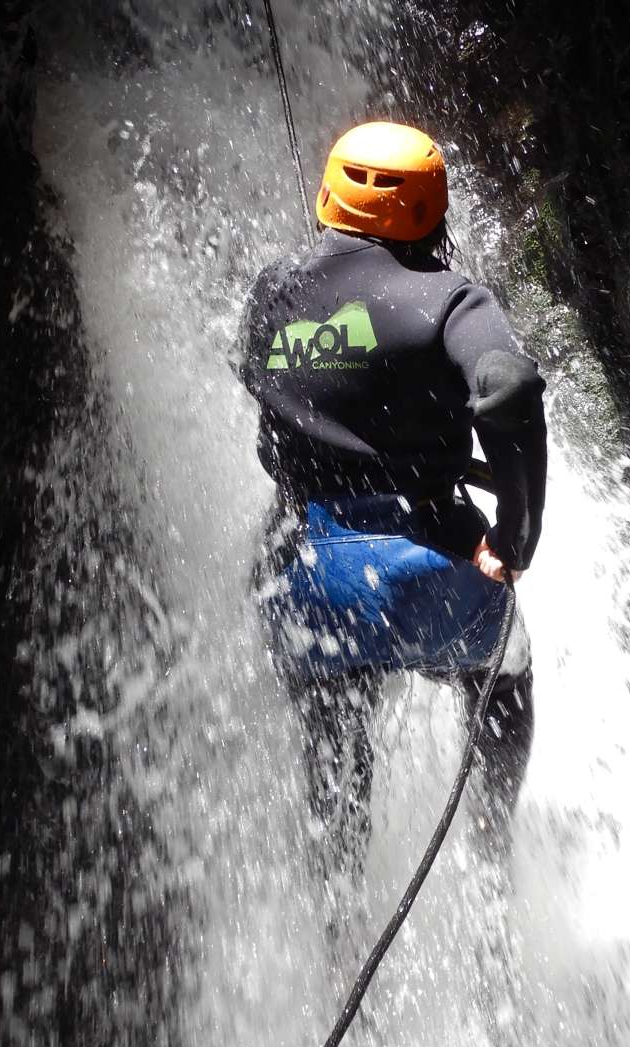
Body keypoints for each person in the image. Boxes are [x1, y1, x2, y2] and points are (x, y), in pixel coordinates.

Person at [238, 121, 548, 890]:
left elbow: (263, 391)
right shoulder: (448, 298)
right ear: (430, 214)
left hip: (308, 579)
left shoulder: (271, 292)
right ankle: (487, 854)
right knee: (505, 675)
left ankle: (338, 926)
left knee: (333, 742)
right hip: (431, 573)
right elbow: (507, 387)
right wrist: (515, 537)